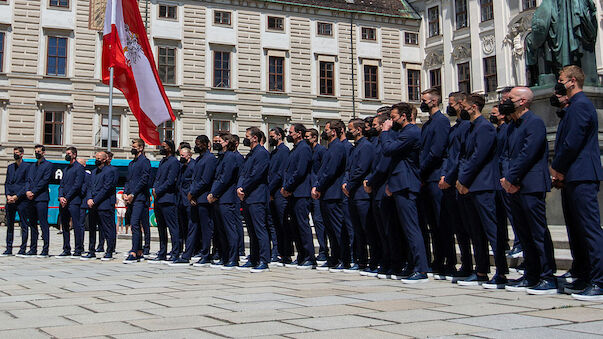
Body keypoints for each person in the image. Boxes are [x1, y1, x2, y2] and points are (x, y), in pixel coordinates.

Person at [550, 65, 603, 301]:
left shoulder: (581, 105)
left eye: (561, 80)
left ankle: (599, 280)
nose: (559, 83)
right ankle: (583, 275)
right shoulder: (573, 107)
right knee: (576, 230)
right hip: (572, 176)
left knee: (589, 229)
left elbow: (572, 143)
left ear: (572, 81)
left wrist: (557, 168)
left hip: (582, 174)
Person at [500, 87, 556, 295]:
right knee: (523, 232)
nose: (506, 101)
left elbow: (527, 154)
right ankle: (531, 273)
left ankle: (547, 275)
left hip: (530, 184)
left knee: (537, 231)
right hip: (513, 184)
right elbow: (506, 155)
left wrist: (512, 178)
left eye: (511, 99)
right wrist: (507, 179)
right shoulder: (512, 126)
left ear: (523, 101)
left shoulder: (535, 123)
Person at [455, 94, 508, 289]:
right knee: (476, 231)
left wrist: (464, 180)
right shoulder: (471, 128)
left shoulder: (485, 128)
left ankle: (501, 271)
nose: (463, 109)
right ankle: (481, 271)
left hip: (483, 184)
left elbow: (478, 157)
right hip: (471, 185)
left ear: (475, 107)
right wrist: (461, 180)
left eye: (465, 106)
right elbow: (464, 156)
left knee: (491, 230)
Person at [381, 103, 428, 283]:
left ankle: (421, 268)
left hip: (407, 184)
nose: (392, 120)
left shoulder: (412, 132)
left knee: (411, 228)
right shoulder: (403, 132)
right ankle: (412, 265)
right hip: (399, 183)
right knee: (405, 228)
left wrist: (385, 132)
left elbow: (388, 150)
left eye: (394, 117)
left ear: (405, 116)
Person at [365, 113, 405, 279]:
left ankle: (394, 263)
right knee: (382, 229)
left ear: (383, 125)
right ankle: (387, 261)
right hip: (377, 188)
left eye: (375, 124)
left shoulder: (388, 139)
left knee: (389, 229)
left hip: (383, 187)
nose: (373, 127)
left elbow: (383, 165)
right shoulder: (379, 140)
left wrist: (370, 181)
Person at [438, 92, 472, 282]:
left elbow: (460, 156)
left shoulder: (466, 126)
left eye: (451, 103)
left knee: (465, 227)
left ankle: (469, 264)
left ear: (460, 104)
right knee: (458, 227)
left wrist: (449, 177)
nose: (449, 106)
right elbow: (449, 155)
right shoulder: (455, 127)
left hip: (458, 181)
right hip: (450, 179)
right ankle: (465, 263)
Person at [418, 89, 450, 277]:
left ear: (435, 101)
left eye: (425, 100)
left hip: (434, 176)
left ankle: (444, 260)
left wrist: (420, 171)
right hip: (426, 178)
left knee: (440, 222)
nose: (422, 102)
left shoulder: (441, 121)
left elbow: (436, 152)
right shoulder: (429, 123)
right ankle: (436, 259)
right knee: (431, 222)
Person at [343, 119, 378, 274]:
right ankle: (361, 260)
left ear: (359, 130)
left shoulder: (366, 146)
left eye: (351, 129)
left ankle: (374, 261)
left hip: (361, 194)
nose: (349, 131)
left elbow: (361, 169)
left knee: (367, 230)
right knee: (357, 230)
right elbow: (349, 168)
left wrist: (349, 185)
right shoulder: (355, 147)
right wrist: (345, 183)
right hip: (352, 193)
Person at [313, 120, 347, 272]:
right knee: (330, 229)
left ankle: (341, 259)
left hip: (333, 194)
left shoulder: (337, 148)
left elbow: (330, 171)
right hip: (327, 194)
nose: (324, 132)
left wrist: (319, 186)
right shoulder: (331, 148)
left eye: (326, 129)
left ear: (334, 131)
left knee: (337, 228)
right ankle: (334, 258)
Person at [281, 123, 316, 269]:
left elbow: (300, 172)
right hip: (293, 193)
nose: (289, 134)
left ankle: (309, 257)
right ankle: (301, 255)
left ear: (299, 134)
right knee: (295, 226)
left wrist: (288, 187)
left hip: (300, 192)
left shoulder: (304, 149)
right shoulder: (295, 149)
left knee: (302, 225)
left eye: (291, 132)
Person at [237, 127, 271, 272]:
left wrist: (244, 188)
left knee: (259, 229)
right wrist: (239, 187)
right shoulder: (250, 154)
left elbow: (256, 175)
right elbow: (243, 173)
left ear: (255, 138)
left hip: (256, 196)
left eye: (247, 136)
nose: (246, 139)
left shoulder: (262, 153)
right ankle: (254, 258)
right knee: (251, 231)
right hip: (247, 197)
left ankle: (264, 260)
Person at [208, 133, 241, 269]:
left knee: (229, 229)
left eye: (220, 141)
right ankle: (225, 256)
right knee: (221, 230)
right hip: (220, 198)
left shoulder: (231, 157)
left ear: (227, 142)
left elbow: (225, 178)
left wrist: (214, 193)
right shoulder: (223, 157)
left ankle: (233, 258)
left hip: (227, 198)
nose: (218, 143)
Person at [149, 140, 181, 263]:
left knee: (173, 227)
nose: (162, 148)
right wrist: (154, 189)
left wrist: (158, 190)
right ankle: (162, 252)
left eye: (164, 146)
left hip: (168, 198)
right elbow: (158, 178)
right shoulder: (162, 161)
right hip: (158, 199)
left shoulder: (173, 162)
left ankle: (175, 252)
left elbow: (170, 181)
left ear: (170, 148)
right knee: (161, 228)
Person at [189, 135, 217, 267]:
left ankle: (206, 254)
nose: (197, 146)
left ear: (206, 144)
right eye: (196, 143)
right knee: (196, 227)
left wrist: (192, 193)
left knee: (206, 228)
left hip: (204, 198)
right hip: (196, 198)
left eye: (199, 143)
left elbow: (205, 180)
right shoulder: (199, 159)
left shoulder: (210, 159)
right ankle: (198, 250)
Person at [83, 151, 117, 261]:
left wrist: (95, 200)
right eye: (95, 158)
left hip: (104, 204)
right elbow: (89, 187)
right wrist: (89, 198)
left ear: (104, 159)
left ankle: (109, 251)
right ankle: (91, 250)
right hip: (93, 205)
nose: (96, 160)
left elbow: (106, 188)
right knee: (92, 228)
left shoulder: (110, 171)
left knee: (107, 228)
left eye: (99, 158)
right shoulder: (93, 172)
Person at [123, 139, 152, 263]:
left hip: (140, 198)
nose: (132, 148)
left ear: (141, 148)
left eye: (134, 146)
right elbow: (128, 180)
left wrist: (133, 194)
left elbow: (144, 180)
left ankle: (134, 251)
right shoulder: (131, 163)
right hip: (131, 198)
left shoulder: (145, 162)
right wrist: (125, 192)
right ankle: (138, 249)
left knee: (135, 223)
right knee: (133, 224)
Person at [170, 146, 198, 266]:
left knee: (191, 227)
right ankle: (179, 251)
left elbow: (193, 182)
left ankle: (190, 251)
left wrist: (192, 196)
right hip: (180, 200)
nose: (180, 157)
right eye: (180, 155)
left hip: (189, 200)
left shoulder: (193, 166)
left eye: (182, 155)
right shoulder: (181, 167)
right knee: (182, 227)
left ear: (189, 155)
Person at [25, 145, 54, 257]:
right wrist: (27, 190)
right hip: (31, 199)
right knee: (32, 224)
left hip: (41, 198)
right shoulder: (32, 166)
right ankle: (33, 248)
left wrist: (33, 192)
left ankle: (45, 249)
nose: (37, 153)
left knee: (43, 223)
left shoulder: (48, 165)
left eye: (39, 151)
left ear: (43, 152)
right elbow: (27, 180)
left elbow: (45, 181)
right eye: (35, 151)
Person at [56, 147, 85, 258]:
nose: (66, 155)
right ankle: (66, 248)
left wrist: (67, 197)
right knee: (65, 226)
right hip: (64, 201)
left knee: (76, 225)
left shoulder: (79, 168)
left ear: (74, 155)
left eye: (68, 153)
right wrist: (60, 197)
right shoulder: (66, 169)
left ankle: (78, 248)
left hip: (74, 201)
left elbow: (77, 185)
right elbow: (62, 185)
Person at [267, 127, 290, 265]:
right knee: (273, 224)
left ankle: (285, 253)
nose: (270, 138)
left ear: (279, 136)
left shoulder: (284, 151)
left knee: (282, 224)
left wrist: (270, 190)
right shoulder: (274, 152)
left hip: (279, 192)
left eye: (272, 136)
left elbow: (280, 173)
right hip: (272, 192)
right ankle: (276, 251)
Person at [3, 147, 31, 257]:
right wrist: (8, 195)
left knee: (23, 224)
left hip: (21, 200)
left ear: (22, 154)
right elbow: (7, 183)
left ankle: (23, 248)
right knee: (9, 225)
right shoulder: (10, 167)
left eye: (17, 153)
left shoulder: (27, 167)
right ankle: (8, 248)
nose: (15, 155)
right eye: (14, 153)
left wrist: (16, 196)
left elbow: (27, 184)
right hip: (10, 200)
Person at [305, 128, 328, 262]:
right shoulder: (308, 151)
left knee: (319, 221)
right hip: (309, 189)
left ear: (314, 137)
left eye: (308, 137)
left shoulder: (321, 151)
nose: (306, 139)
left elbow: (323, 170)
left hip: (317, 190)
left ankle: (324, 250)